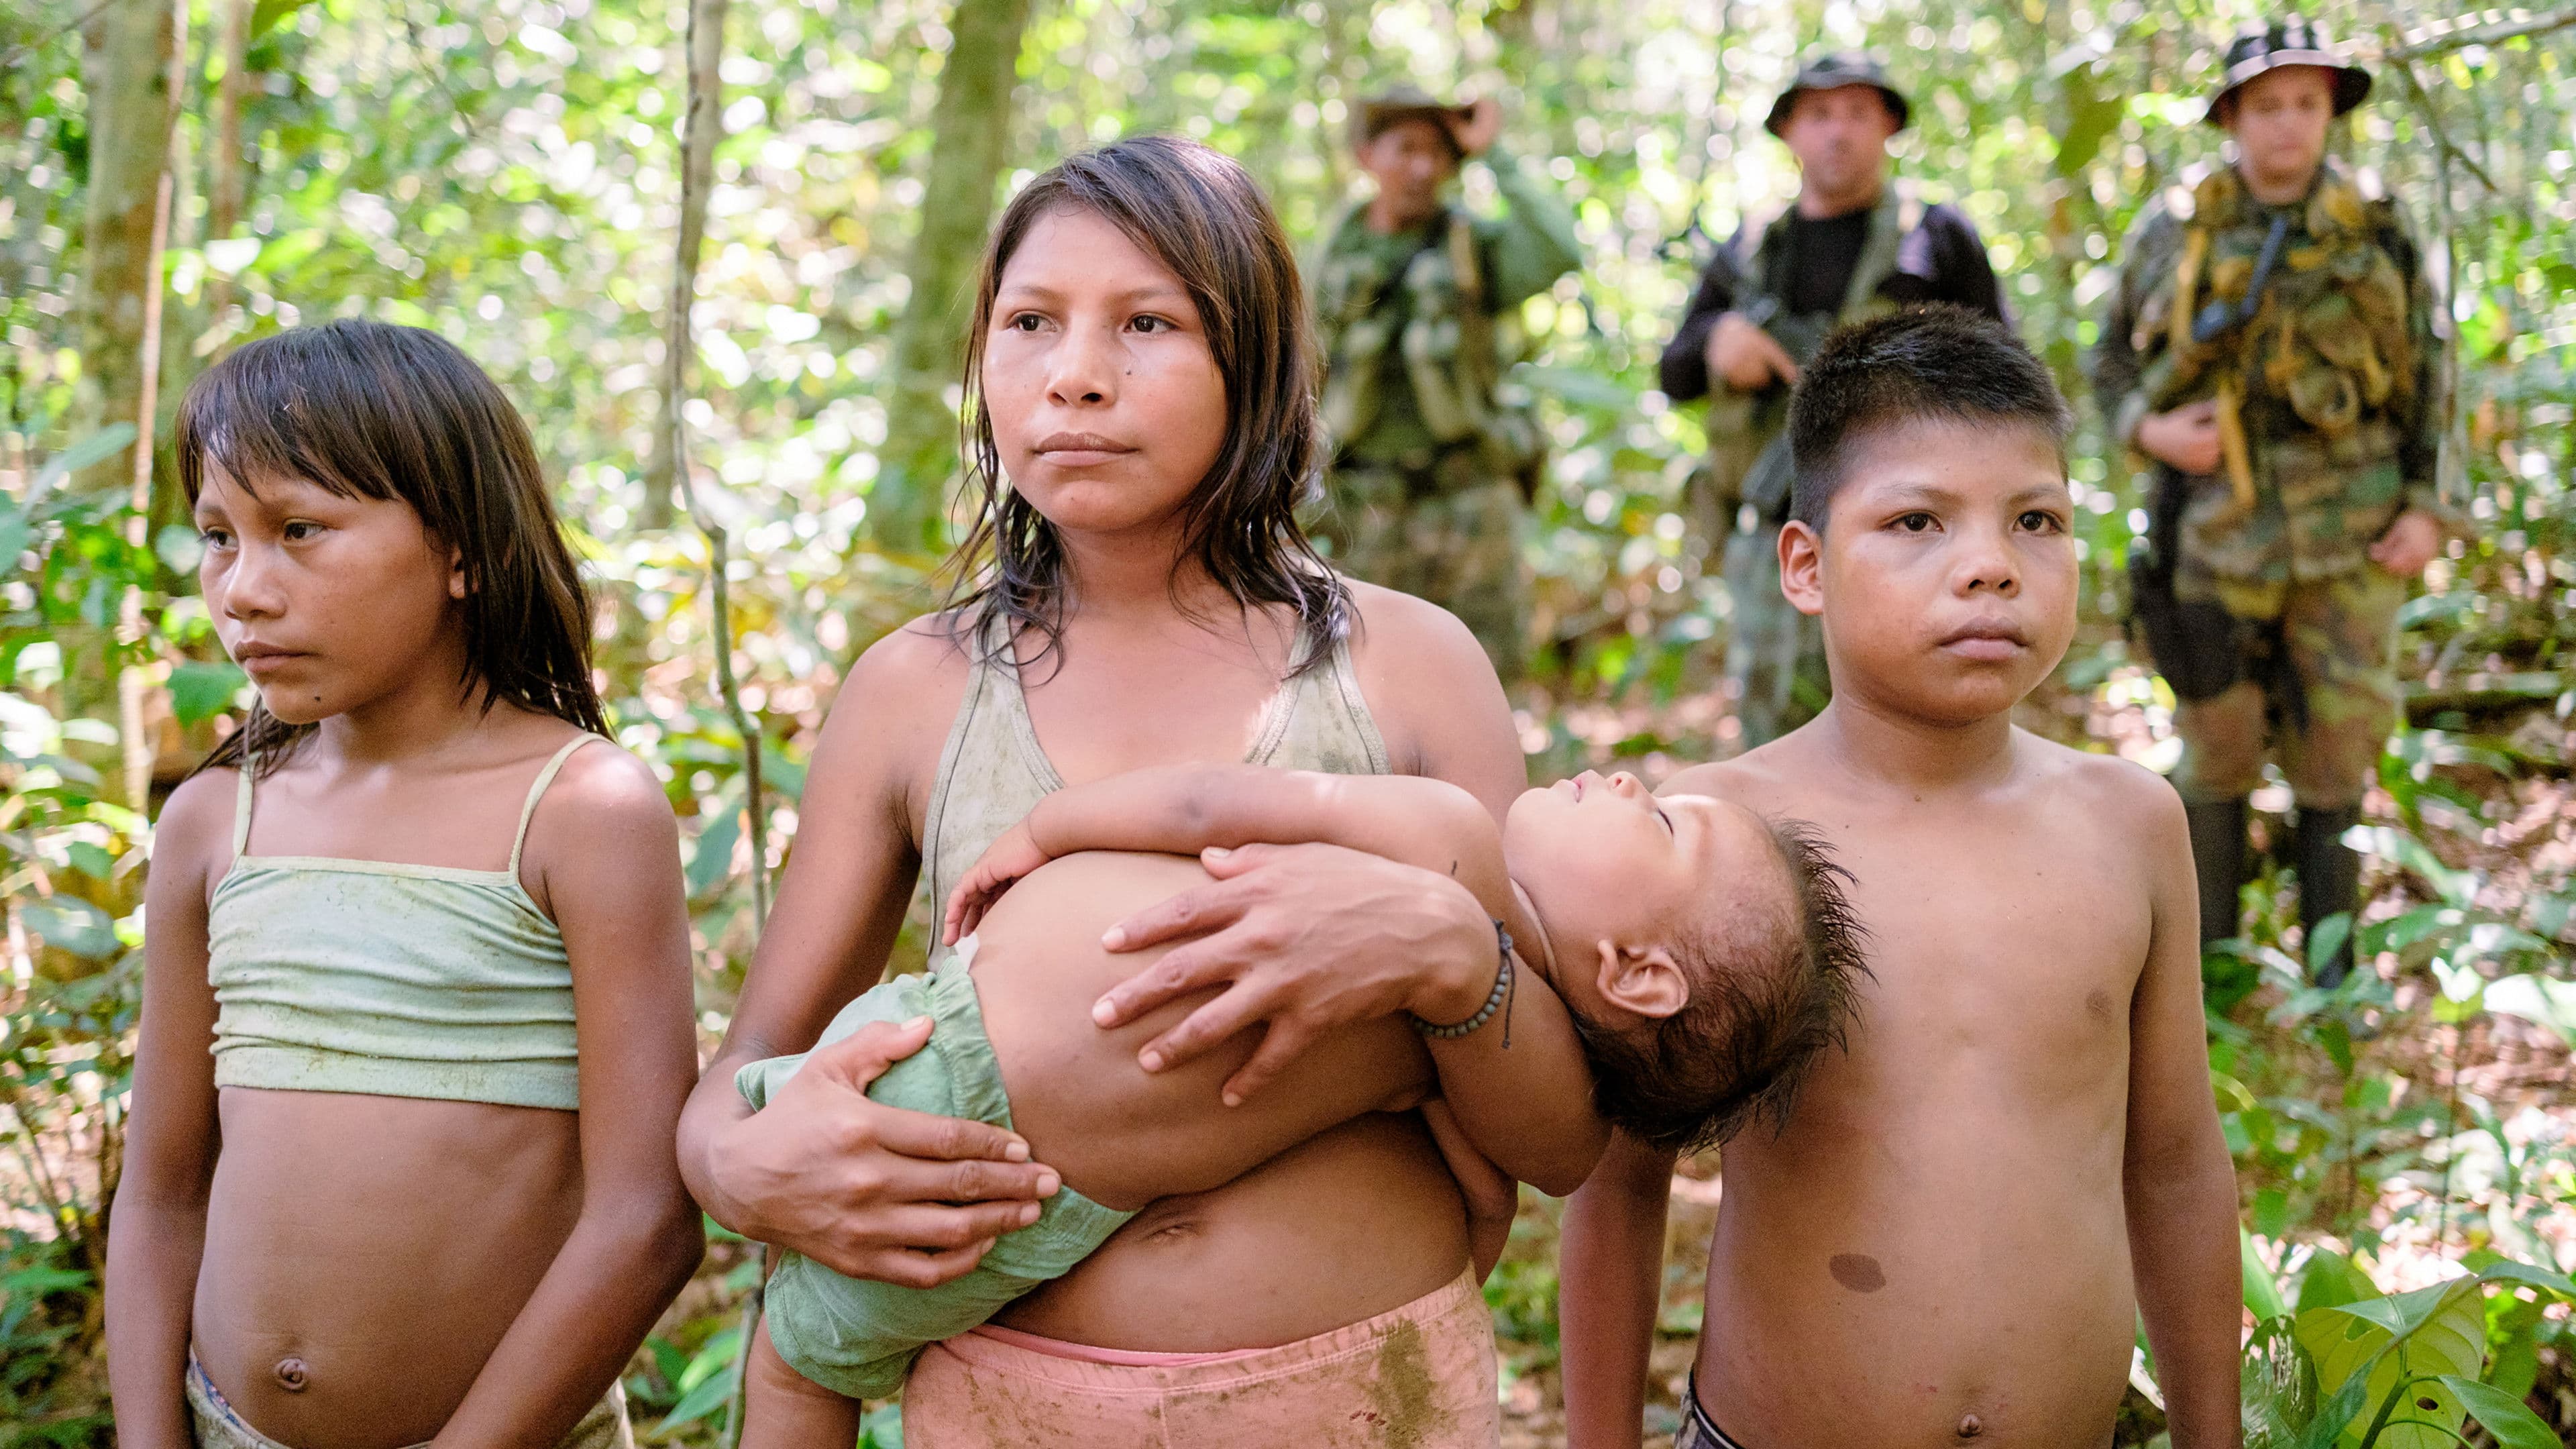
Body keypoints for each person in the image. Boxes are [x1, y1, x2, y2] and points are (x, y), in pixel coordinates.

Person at [675, 135, 1587, 1448]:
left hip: (1366, 1401)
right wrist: (745, 1167)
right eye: (1029, 322)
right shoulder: (917, 688)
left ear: (1256, 363)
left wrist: (1451, 958)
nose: (1076, 377)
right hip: (1007, 1405)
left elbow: (1560, 1139)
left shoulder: (1411, 666)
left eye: (1147, 323)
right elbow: (741, 1074)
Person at [1561, 309, 2243, 1448]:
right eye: (1917, 520)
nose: (1990, 566)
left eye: (2037, 520)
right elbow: (1619, 1184)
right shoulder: (1719, 828)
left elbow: (2174, 1164)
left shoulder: (2130, 823)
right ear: (1806, 567)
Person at [732, 759, 1864, 1433]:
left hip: (961, 1109)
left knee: (794, 1356)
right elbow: (1485, 1193)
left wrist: (1048, 825)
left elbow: (1207, 806)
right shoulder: (1466, 1050)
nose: (1625, 779)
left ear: (1641, 975)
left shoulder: (1456, 850)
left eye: (1661, 820)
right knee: (803, 1335)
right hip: (1012, 1167)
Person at [105, 322, 704, 1449]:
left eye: (299, 532)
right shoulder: (211, 823)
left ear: (461, 549)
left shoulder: (579, 811)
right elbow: (162, 1196)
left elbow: (648, 1215)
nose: (244, 590)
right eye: (218, 538)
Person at [2092, 17, 2453, 984]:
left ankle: (2333, 988)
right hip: (2215, 543)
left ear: (2329, 111)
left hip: (2356, 538)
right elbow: (2108, 364)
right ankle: (2214, 983)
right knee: (2216, 756)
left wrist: (2428, 505)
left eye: (2306, 102)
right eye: (2267, 105)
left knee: (2337, 759)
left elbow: (2433, 370)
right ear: (2232, 116)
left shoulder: (2376, 224)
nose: (2288, 125)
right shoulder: (2175, 227)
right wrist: (2147, 430)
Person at [1661, 50, 2008, 748]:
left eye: (1857, 112)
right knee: (1776, 730)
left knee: (1916, 724)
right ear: (1789, 132)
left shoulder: (1935, 236)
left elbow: (2007, 378)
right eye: (1819, 115)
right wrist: (1720, 339)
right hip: (1779, 535)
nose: (1838, 133)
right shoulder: (1752, 249)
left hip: (1916, 530)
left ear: (1887, 126)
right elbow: (1674, 374)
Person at [1309, 89, 1583, 681]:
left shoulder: (1472, 247)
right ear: (1366, 155)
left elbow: (1558, 250)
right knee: (1371, 682)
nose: (1421, 168)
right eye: (1404, 149)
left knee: (1484, 674)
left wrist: (1495, 154)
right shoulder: (1330, 258)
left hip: (1470, 497)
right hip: (1367, 509)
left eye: (1437, 153)